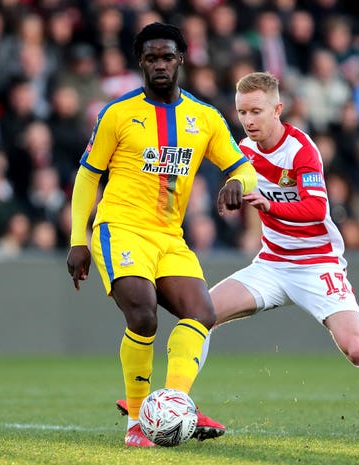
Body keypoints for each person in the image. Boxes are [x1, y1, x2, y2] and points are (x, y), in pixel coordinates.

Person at [203, 72, 359, 443]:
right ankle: (177, 403)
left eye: (256, 111)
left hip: (318, 265)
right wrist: (230, 190)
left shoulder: (301, 149)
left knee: (358, 349)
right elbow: (240, 179)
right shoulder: (243, 150)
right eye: (242, 112)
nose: (248, 120)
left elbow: (315, 208)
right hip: (272, 263)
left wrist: (267, 203)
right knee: (201, 313)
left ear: (277, 109)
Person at [66, 22, 258, 448]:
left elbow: (243, 168)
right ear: (140, 62)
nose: (159, 65)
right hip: (121, 228)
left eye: (166, 57)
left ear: (181, 60)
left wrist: (238, 185)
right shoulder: (118, 114)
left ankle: (172, 404)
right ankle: (137, 421)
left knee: (201, 313)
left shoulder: (204, 118)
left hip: (170, 236)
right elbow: (86, 177)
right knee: (143, 315)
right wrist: (78, 238)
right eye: (151, 58)